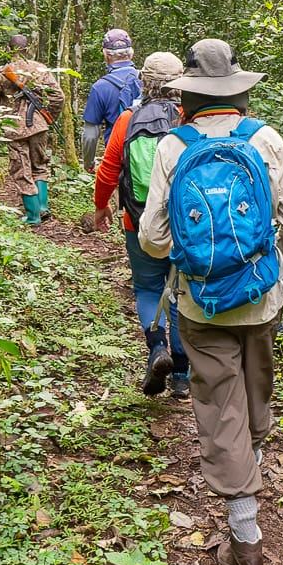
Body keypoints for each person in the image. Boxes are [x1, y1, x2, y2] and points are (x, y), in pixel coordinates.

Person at [138, 39, 283, 565]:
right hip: (261, 298)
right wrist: (278, 271)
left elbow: (154, 238)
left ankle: (246, 539)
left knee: (220, 405)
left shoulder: (172, 146)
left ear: (187, 95)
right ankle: (251, 463)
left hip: (200, 303)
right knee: (257, 390)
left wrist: (195, 256)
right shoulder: (265, 139)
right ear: (240, 90)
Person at [92, 51, 190, 400]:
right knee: (180, 292)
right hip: (185, 226)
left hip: (138, 221)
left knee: (148, 288)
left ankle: (155, 349)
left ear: (143, 81)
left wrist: (101, 206)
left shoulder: (128, 120)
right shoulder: (188, 119)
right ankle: (181, 374)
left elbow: (108, 170)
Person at [0, 33, 60, 225]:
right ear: (29, 49)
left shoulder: (1, 72)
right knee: (40, 165)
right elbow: (58, 96)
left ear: (9, 50)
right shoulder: (40, 69)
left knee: (21, 169)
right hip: (38, 126)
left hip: (14, 128)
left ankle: (33, 215)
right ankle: (43, 207)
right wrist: (47, 116)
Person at [79, 28, 141, 169]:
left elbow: (90, 135)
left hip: (116, 157)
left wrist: (88, 163)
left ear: (106, 55)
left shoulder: (100, 87)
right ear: (131, 54)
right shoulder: (147, 80)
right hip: (147, 155)